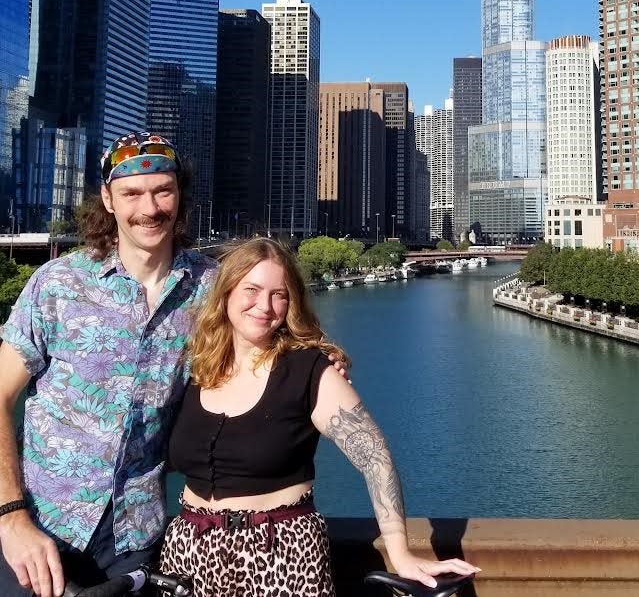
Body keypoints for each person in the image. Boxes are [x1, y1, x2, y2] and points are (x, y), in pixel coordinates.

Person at [160, 237, 478, 597]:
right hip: (188, 555)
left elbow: (375, 459)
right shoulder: (193, 369)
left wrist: (400, 553)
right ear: (227, 292)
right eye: (251, 289)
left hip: (280, 553)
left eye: (279, 294)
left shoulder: (310, 370)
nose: (264, 305)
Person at [0, 132, 213, 597]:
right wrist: (11, 516)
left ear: (180, 195)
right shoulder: (58, 283)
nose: (150, 207)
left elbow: (271, 341)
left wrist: (321, 360)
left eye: (163, 190)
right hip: (39, 524)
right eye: (132, 193)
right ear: (108, 200)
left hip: (134, 537)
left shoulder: (212, 289)